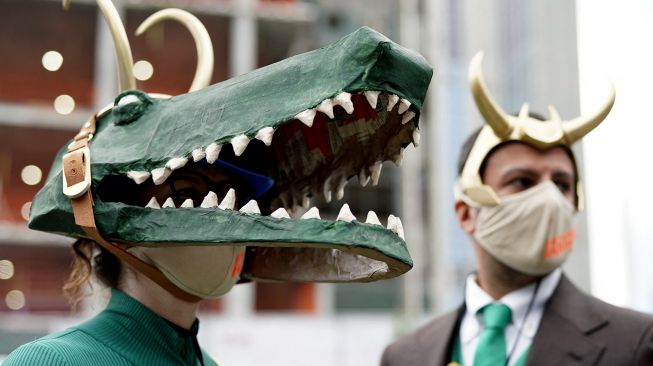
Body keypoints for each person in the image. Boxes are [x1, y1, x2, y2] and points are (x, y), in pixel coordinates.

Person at [381, 52, 653, 366]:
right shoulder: (404, 356)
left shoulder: (636, 343)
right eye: (523, 181)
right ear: (467, 213)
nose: (549, 198)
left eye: (562, 184)